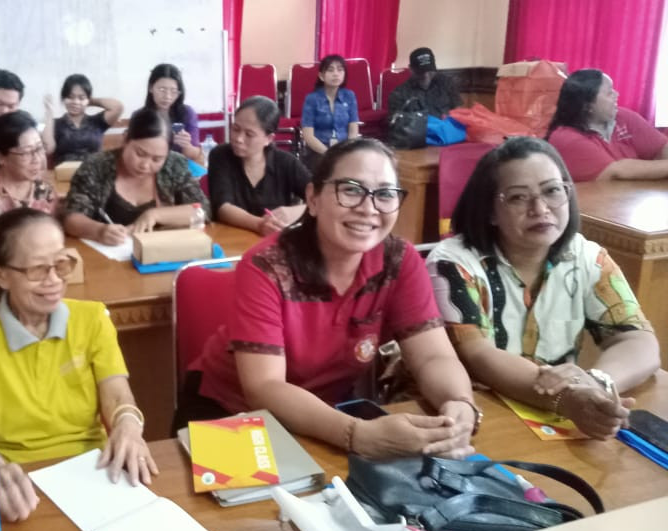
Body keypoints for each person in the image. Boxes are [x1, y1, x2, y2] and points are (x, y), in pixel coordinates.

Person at [185, 138, 480, 458]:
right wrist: (356, 434)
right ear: (312, 198)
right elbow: (264, 388)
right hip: (233, 413)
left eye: (384, 194)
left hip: (330, 414)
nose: (369, 208)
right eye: (351, 189)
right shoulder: (266, 265)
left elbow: (432, 356)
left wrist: (459, 403)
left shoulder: (399, 261)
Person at [426, 137, 658, 439]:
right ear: (490, 211)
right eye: (518, 198)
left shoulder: (586, 257)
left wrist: (597, 383)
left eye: (552, 191)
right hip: (472, 417)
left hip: (550, 418)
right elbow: (477, 354)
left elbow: (639, 339)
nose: (540, 208)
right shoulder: (452, 263)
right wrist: (569, 398)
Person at [0, 209, 158, 522]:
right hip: (12, 475)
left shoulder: (93, 318)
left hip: (93, 470)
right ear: (1, 275)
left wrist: (128, 426)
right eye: (37, 270)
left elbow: (117, 396)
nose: (54, 280)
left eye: (61, 264)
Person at [63, 107, 209, 246]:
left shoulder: (174, 164)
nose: (145, 165)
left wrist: (155, 215)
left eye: (157, 159)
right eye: (140, 154)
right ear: (125, 139)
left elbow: (203, 210)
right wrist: (99, 231)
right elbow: (71, 217)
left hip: (161, 256)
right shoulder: (97, 166)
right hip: (109, 260)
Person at [208, 95, 311, 235]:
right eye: (236, 129)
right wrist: (260, 224)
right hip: (230, 239)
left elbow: (321, 196)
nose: (238, 139)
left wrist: (297, 210)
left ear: (269, 139)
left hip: (273, 242)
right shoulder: (220, 155)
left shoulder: (285, 162)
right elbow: (223, 208)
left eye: (249, 134)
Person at [547, 69, 668, 182]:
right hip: (592, 203)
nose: (617, 94)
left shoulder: (624, 117)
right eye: (609, 92)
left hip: (630, 198)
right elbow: (616, 172)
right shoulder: (565, 137)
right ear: (588, 104)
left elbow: (661, 148)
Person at [42, 74, 123, 163]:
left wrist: (90, 101)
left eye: (81, 98)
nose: (75, 102)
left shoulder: (96, 122)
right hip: (66, 174)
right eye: (70, 97)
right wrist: (49, 112)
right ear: (63, 98)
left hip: (94, 173)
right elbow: (48, 148)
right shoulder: (55, 124)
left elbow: (118, 107)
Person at [300, 54, 360, 163]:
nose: (336, 74)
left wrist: (347, 152)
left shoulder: (349, 96)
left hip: (344, 151)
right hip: (319, 151)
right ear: (321, 76)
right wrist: (329, 154)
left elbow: (353, 131)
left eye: (340, 70)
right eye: (330, 70)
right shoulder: (311, 99)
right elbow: (308, 136)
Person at [144, 63, 202, 161]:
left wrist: (186, 145)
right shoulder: (140, 116)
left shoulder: (187, 113)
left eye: (173, 91)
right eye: (162, 89)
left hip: (179, 168)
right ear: (151, 88)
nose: (167, 96)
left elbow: (195, 155)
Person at [388, 46, 461, 119]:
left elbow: (458, 112)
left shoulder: (447, 83)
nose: (426, 76)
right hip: (416, 130)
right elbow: (395, 121)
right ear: (411, 69)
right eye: (421, 72)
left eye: (430, 72)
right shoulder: (399, 93)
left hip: (444, 128)